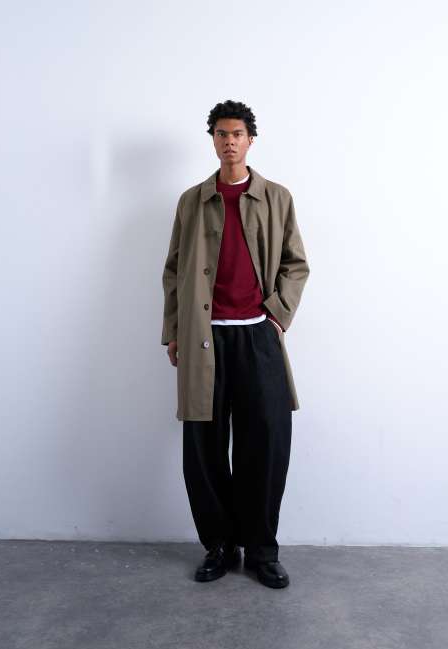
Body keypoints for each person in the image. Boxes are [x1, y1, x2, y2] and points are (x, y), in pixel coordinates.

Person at [161, 100, 310, 588]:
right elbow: (173, 271)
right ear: (213, 140)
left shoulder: (276, 197)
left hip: (257, 336)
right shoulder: (192, 201)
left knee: (265, 442)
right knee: (204, 448)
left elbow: (295, 264)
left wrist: (277, 315)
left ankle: (262, 550)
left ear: (250, 140)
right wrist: (173, 331)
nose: (229, 142)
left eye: (237, 134)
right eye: (221, 134)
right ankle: (220, 546)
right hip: (203, 339)